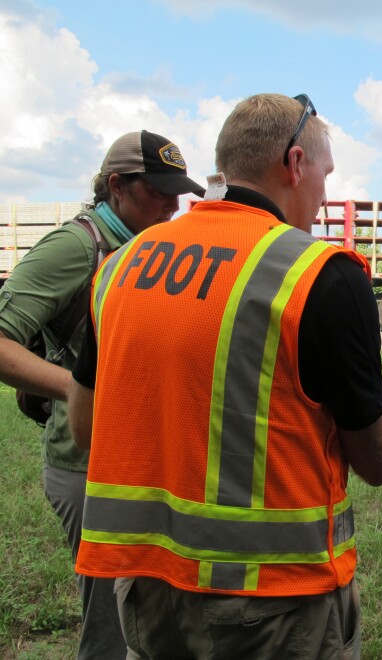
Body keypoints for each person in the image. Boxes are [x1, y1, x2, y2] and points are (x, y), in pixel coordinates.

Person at [67, 93, 382, 659]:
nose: (324, 193)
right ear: (294, 164)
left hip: (147, 590)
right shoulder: (320, 276)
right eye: (324, 174)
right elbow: (379, 460)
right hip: (274, 607)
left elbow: (85, 429)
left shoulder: (122, 266)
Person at [0, 130, 203, 659]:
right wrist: (80, 387)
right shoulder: (77, 247)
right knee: (112, 627)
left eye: (179, 191)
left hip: (138, 464)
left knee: (148, 615)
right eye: (159, 191)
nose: (174, 204)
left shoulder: (147, 249)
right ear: (116, 186)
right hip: (85, 464)